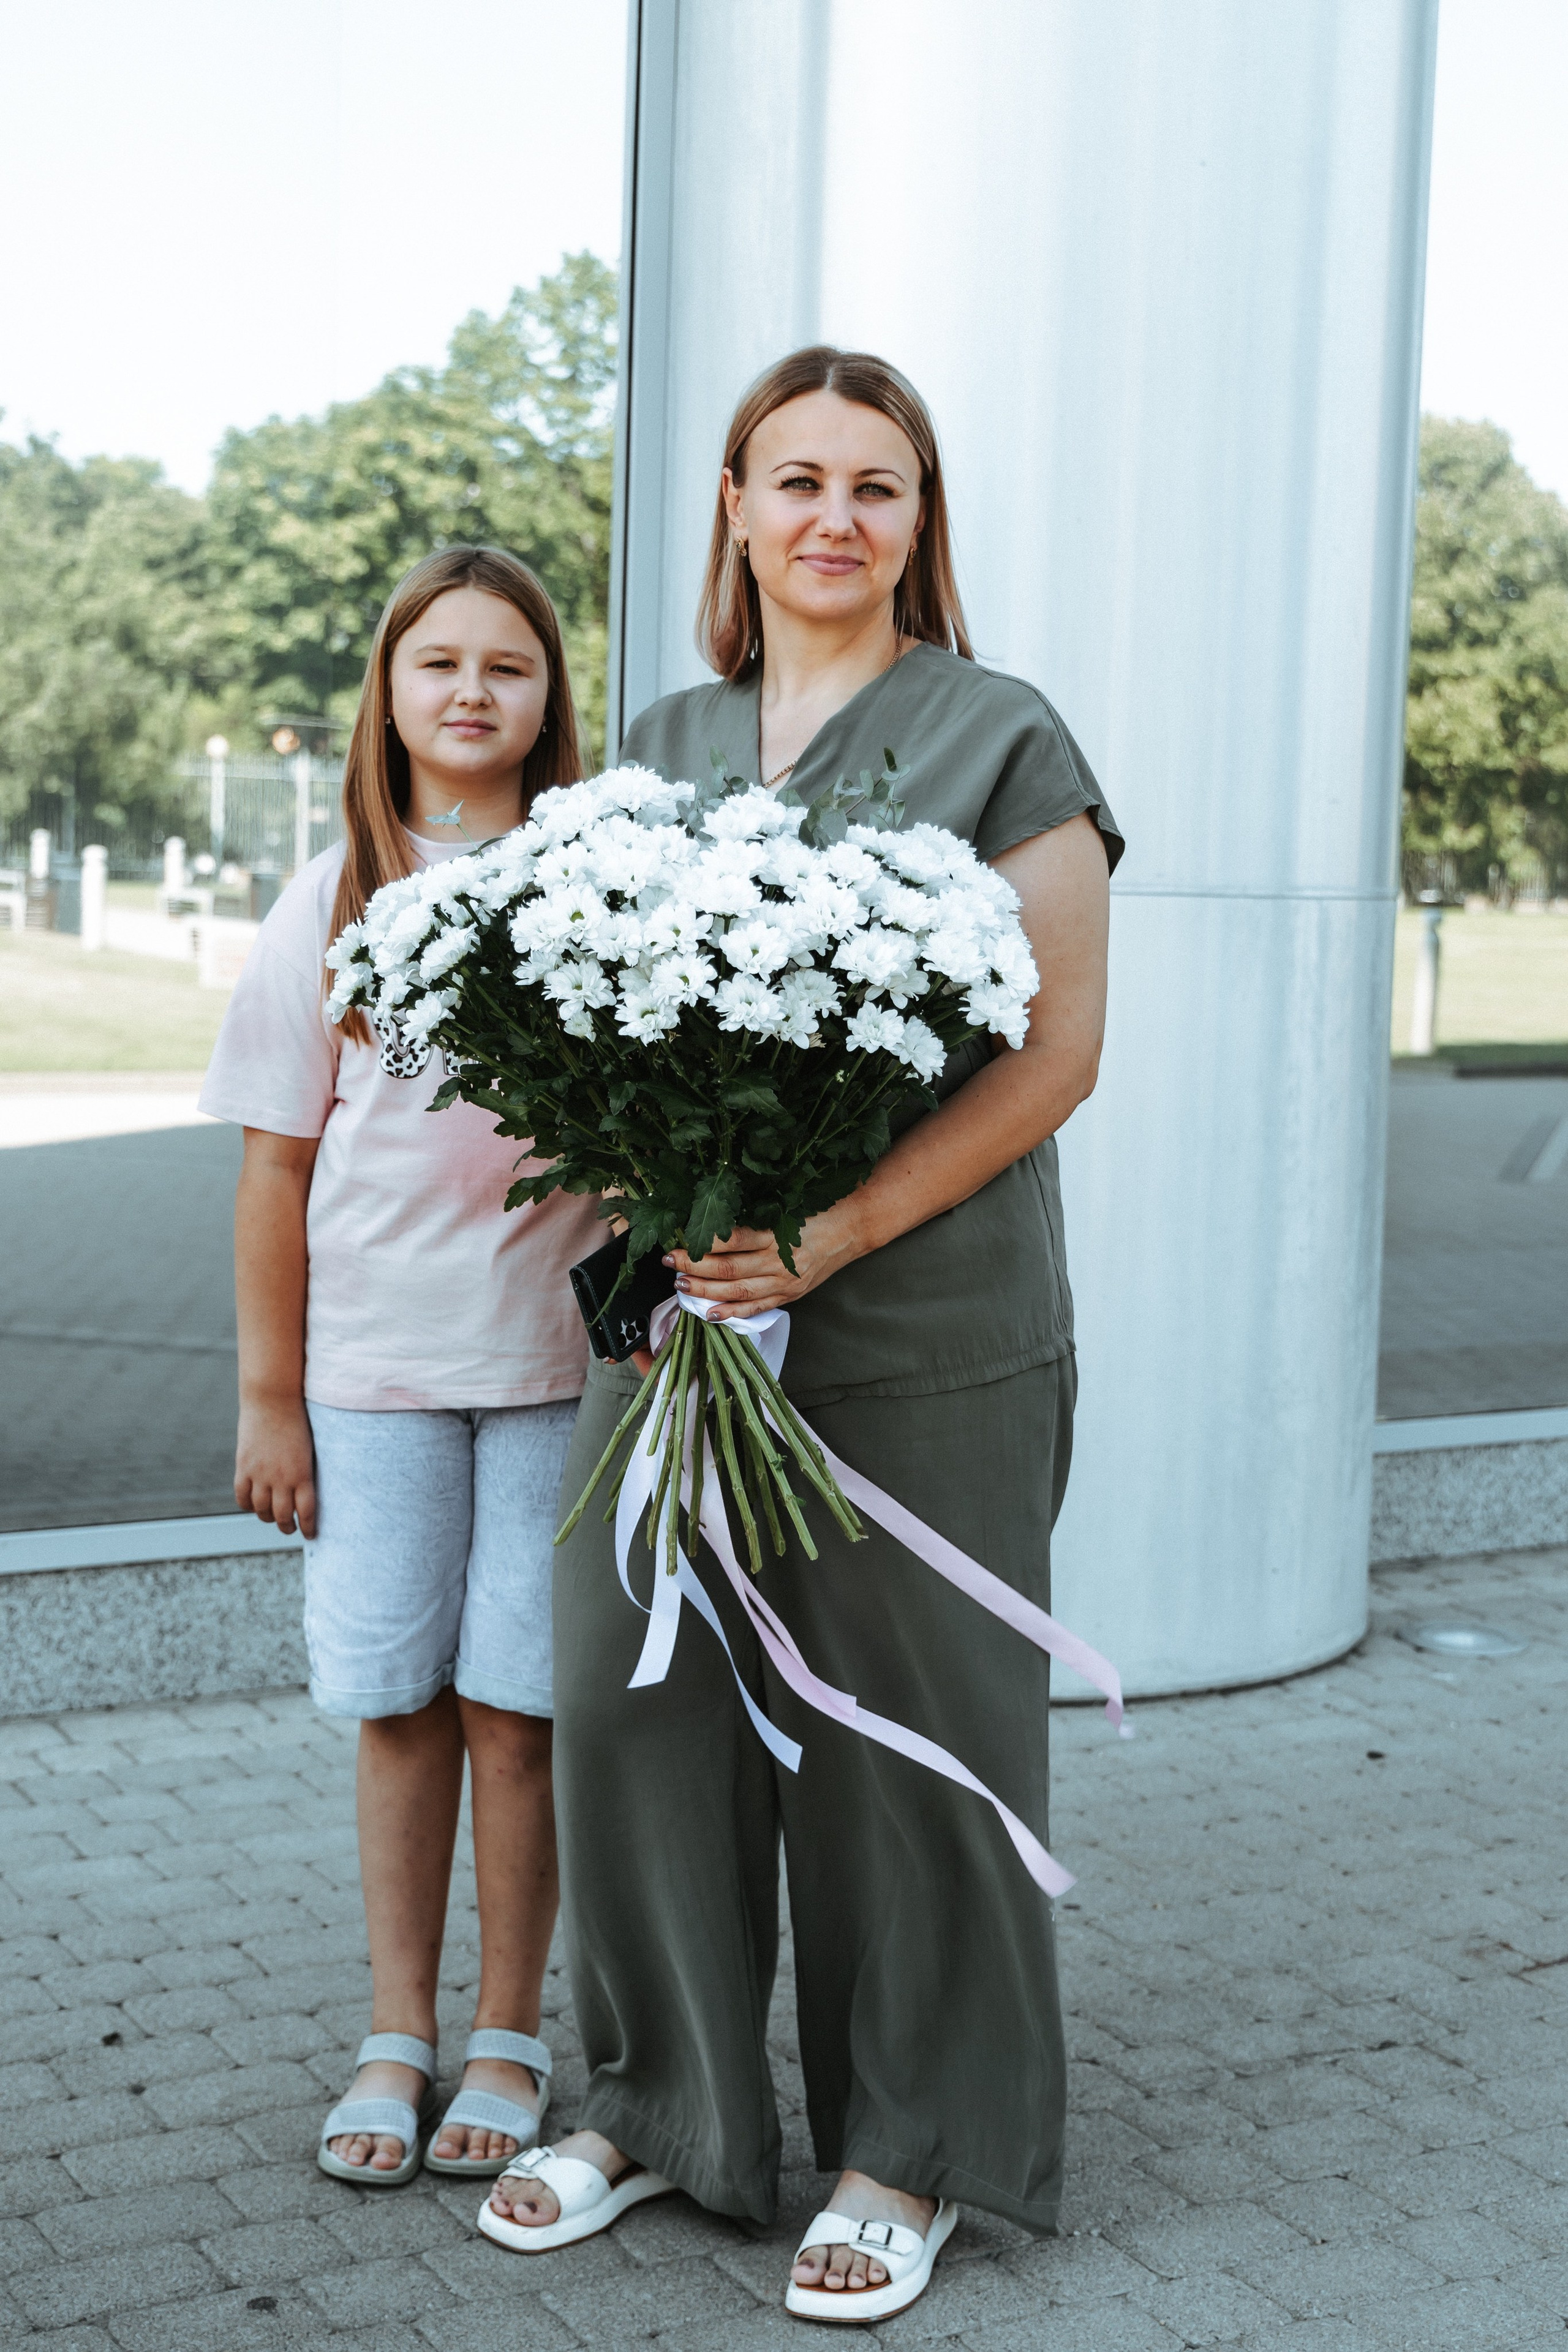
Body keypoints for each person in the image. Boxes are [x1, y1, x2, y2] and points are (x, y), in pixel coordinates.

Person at [482, 350, 1123, 2320]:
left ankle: (906, 2145)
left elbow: (1056, 1057)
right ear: (739, 512)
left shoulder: (1002, 735)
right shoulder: (658, 743)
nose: (837, 517)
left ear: (922, 527)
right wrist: (656, 1193)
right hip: (679, 1334)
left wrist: (825, 1234)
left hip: (921, 1320)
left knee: (913, 1738)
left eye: (883, 486)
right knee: (633, 1700)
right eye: (799, 481)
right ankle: (663, 2100)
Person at [201, 546, 603, 2187]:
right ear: (388, 690)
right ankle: (398, 2030)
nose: (469, 690)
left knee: (520, 1710)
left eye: (506, 664)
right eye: (437, 661)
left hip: (555, 1371)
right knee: (398, 1704)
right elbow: (276, 1169)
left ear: (545, 699)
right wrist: (267, 1394)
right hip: (370, 1382)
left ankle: (510, 2032)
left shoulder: (596, 891)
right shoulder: (333, 901)